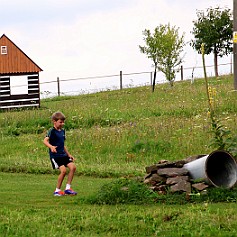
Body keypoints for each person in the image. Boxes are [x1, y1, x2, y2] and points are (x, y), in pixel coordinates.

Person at [43, 111, 77, 196]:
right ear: (54, 121)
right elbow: (45, 141)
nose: (62, 124)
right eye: (60, 122)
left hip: (63, 155)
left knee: (73, 167)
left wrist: (69, 154)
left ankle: (68, 188)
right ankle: (57, 190)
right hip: (56, 156)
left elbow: (63, 145)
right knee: (63, 171)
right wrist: (51, 147)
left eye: (63, 122)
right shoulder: (52, 131)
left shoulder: (62, 131)